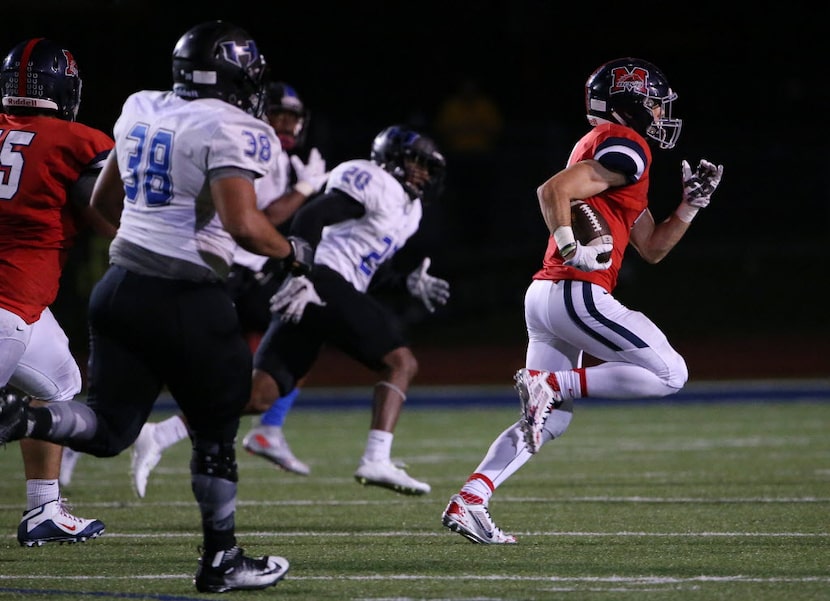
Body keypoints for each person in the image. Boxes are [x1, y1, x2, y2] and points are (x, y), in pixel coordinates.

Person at [0, 20, 308, 592]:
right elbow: (243, 225)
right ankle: (221, 559)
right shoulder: (240, 126)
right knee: (218, 428)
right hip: (187, 294)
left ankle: (28, 420)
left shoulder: (140, 105)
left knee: (106, 423)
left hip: (118, 288)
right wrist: (293, 254)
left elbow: (104, 199)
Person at [440, 57, 724, 544]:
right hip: (577, 291)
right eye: (653, 103)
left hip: (547, 296)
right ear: (630, 105)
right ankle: (548, 381)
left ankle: (471, 498)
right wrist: (573, 247)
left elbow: (651, 247)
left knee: (552, 418)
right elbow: (552, 190)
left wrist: (690, 206)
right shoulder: (628, 145)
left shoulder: (609, 155)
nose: (659, 113)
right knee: (670, 373)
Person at [60, 80, 328, 491]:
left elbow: (104, 202)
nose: (284, 126)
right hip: (212, 273)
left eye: (292, 118)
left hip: (173, 275)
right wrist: (303, 200)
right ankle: (220, 544)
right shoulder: (241, 138)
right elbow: (255, 221)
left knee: (284, 351)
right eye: (278, 116)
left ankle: (261, 430)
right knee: (227, 390)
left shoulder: (154, 114)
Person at [251, 124, 450, 495]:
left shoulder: (410, 211)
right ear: (390, 158)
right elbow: (309, 218)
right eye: (416, 163)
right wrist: (300, 274)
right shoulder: (377, 182)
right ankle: (376, 459)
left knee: (258, 395)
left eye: (429, 168)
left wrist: (406, 282)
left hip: (324, 285)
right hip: (319, 281)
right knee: (400, 362)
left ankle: (162, 433)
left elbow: (371, 271)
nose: (423, 173)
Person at [0, 37, 113, 547]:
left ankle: (44, 509)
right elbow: (107, 213)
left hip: (24, 308)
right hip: (9, 303)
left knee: (59, 384)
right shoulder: (80, 141)